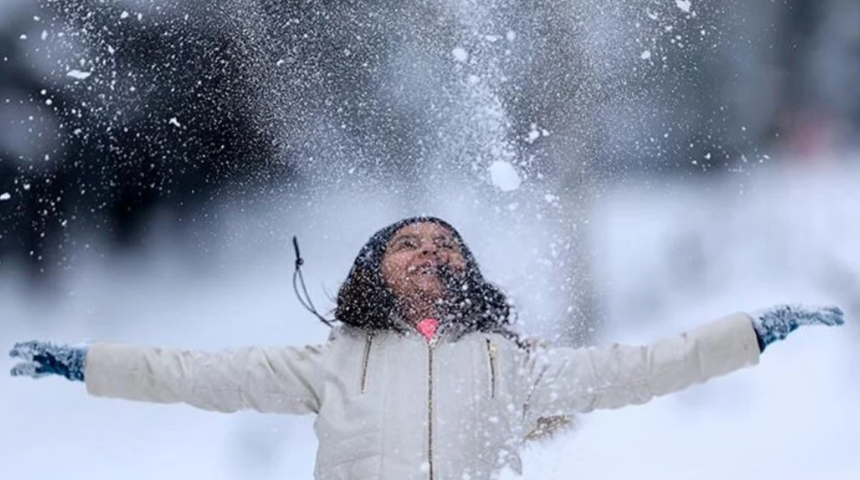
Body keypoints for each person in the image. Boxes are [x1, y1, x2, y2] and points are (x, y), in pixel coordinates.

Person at [9, 216, 845, 480]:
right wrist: (86, 363)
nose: (429, 251)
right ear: (372, 271)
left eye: (446, 244)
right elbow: (195, 375)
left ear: (467, 272)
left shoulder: (512, 366)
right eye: (407, 243)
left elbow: (641, 368)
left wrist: (750, 331)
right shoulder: (332, 363)